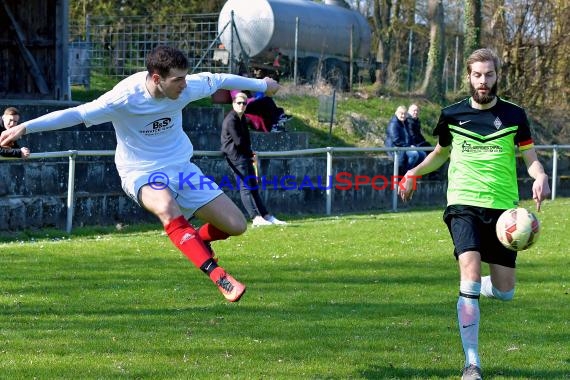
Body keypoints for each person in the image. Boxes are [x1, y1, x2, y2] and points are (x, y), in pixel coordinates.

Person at [0, 45, 280, 303]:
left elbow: (220, 80)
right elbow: (75, 113)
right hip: (140, 172)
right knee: (167, 208)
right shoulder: (123, 98)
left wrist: (262, 85)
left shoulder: (187, 87)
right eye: (178, 80)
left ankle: (195, 239)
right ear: (157, 79)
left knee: (236, 225)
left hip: (181, 169)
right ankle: (218, 275)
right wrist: (25, 128)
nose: (185, 85)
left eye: (186, 77)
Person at [398, 48, 551, 380]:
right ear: (468, 77)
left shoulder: (515, 115)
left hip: (504, 214)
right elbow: (440, 154)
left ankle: (478, 287)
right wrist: (413, 173)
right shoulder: (451, 115)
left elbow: (531, 158)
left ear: (498, 76)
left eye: (489, 75)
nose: (484, 81)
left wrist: (539, 176)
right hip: (463, 204)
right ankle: (472, 363)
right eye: (478, 75)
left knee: (505, 291)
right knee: (467, 269)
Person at [221, 92, 287, 227]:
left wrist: (250, 153)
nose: (241, 105)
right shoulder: (231, 119)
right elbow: (239, 141)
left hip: (244, 156)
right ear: (233, 103)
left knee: (254, 187)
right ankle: (255, 218)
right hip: (236, 158)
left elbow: (246, 140)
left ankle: (266, 216)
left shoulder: (242, 118)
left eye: (244, 103)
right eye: (238, 103)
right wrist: (250, 153)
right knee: (245, 188)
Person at [384, 105, 426, 175]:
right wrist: (408, 146)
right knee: (414, 154)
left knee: (422, 154)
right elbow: (396, 140)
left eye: (404, 114)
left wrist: (413, 145)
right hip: (396, 147)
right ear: (396, 113)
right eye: (401, 113)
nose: (403, 115)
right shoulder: (393, 124)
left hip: (406, 146)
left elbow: (410, 137)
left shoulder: (406, 123)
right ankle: (406, 174)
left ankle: (414, 173)